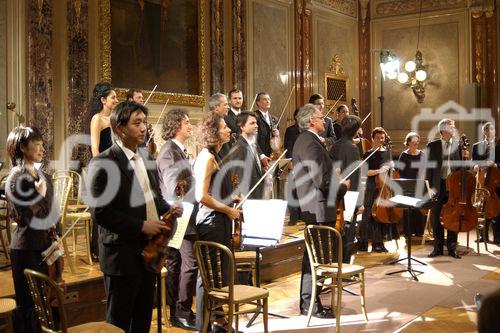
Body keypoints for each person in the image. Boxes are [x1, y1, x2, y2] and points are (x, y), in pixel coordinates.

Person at [89, 101, 174, 333]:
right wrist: (141, 226)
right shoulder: (103, 162)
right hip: (122, 255)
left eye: (144, 122)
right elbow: (100, 212)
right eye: (137, 123)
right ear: (119, 128)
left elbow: (153, 199)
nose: (144, 128)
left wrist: (170, 209)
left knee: (142, 320)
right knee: (119, 323)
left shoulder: (146, 157)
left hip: (148, 254)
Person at [293, 104, 348, 319]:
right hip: (317, 207)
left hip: (315, 205)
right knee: (314, 259)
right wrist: (343, 187)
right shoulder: (310, 142)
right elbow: (321, 181)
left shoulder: (308, 141)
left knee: (313, 258)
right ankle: (310, 305)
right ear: (310, 121)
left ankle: (309, 302)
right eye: (321, 117)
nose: (324, 120)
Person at [5, 126, 58, 333]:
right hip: (26, 248)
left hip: (47, 245)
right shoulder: (15, 178)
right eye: (37, 144)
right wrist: (39, 195)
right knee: (29, 305)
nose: (42, 149)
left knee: (47, 304)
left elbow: (53, 213)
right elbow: (25, 218)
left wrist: (56, 235)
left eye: (42, 144)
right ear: (22, 148)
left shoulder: (44, 175)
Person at [193, 112, 240, 331]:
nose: (229, 130)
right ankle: (204, 326)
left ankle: (220, 322)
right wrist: (229, 210)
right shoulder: (207, 157)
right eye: (224, 128)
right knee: (208, 278)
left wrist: (232, 198)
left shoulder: (216, 156)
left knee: (216, 276)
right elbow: (201, 196)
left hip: (218, 221)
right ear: (213, 133)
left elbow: (215, 191)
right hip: (211, 223)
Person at [156, 108, 197, 330]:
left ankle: (182, 310)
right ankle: (179, 312)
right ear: (177, 125)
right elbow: (174, 189)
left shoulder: (177, 150)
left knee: (182, 264)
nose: (190, 126)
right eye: (187, 122)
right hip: (179, 218)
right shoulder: (169, 152)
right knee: (186, 265)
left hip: (185, 215)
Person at [426, 118, 466, 258]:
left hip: (453, 187)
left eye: (454, 127)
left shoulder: (458, 145)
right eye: (451, 127)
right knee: (436, 218)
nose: (453, 130)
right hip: (438, 185)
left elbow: (461, 169)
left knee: (453, 217)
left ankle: (452, 248)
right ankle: (437, 248)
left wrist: (465, 158)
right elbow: (428, 169)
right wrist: (429, 187)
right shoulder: (432, 146)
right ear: (443, 130)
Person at [329, 115, 363, 262]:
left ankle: (337, 265)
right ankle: (345, 268)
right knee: (348, 233)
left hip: (336, 193)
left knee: (338, 233)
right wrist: (359, 202)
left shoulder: (334, 146)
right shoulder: (353, 149)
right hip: (349, 195)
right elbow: (355, 177)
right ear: (355, 130)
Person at [359, 127, 399, 253]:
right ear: (373, 138)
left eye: (382, 138)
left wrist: (391, 167)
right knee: (369, 215)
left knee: (380, 216)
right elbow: (364, 172)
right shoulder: (368, 154)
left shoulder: (387, 152)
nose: (380, 140)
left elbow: (390, 172)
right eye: (378, 138)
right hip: (372, 187)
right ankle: (364, 242)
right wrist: (378, 171)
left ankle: (379, 242)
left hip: (384, 189)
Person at [225, 111, 265, 199]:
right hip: (248, 198)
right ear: (242, 127)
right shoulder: (238, 147)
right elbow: (237, 177)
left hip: (257, 195)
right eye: (252, 123)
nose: (256, 125)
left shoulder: (253, 145)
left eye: (256, 123)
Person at [472, 122, 499, 244]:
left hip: (496, 181)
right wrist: (476, 166)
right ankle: (483, 235)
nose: (489, 132)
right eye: (487, 130)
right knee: (481, 207)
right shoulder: (477, 146)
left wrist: (495, 165)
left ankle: (498, 236)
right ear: (484, 132)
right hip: (482, 181)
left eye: (491, 130)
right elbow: (473, 163)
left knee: (497, 208)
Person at [398, 132, 426, 236]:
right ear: (408, 143)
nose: (416, 144)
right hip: (407, 185)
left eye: (417, 142)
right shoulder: (404, 155)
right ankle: (408, 232)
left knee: (418, 209)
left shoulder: (422, 154)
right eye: (413, 142)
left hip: (418, 185)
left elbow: (424, 170)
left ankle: (419, 231)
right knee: (408, 209)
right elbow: (400, 171)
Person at [89, 82, 119, 157]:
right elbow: (95, 148)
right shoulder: (97, 118)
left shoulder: (115, 118)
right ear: (103, 100)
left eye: (116, 97)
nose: (117, 100)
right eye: (113, 97)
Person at [283, 108, 301, 226]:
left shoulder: (307, 130)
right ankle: (293, 217)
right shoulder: (290, 130)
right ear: (295, 117)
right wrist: (290, 161)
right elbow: (287, 147)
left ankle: (303, 215)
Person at [254, 92, 279, 158]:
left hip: (272, 155)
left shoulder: (274, 119)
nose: (268, 101)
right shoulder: (254, 116)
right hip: (258, 155)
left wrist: (277, 136)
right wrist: (261, 155)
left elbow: (276, 141)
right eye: (265, 99)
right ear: (258, 102)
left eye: (269, 99)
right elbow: (252, 139)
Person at [207, 93, 231, 158]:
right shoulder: (211, 124)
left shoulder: (223, 120)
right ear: (216, 107)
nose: (228, 107)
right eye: (225, 104)